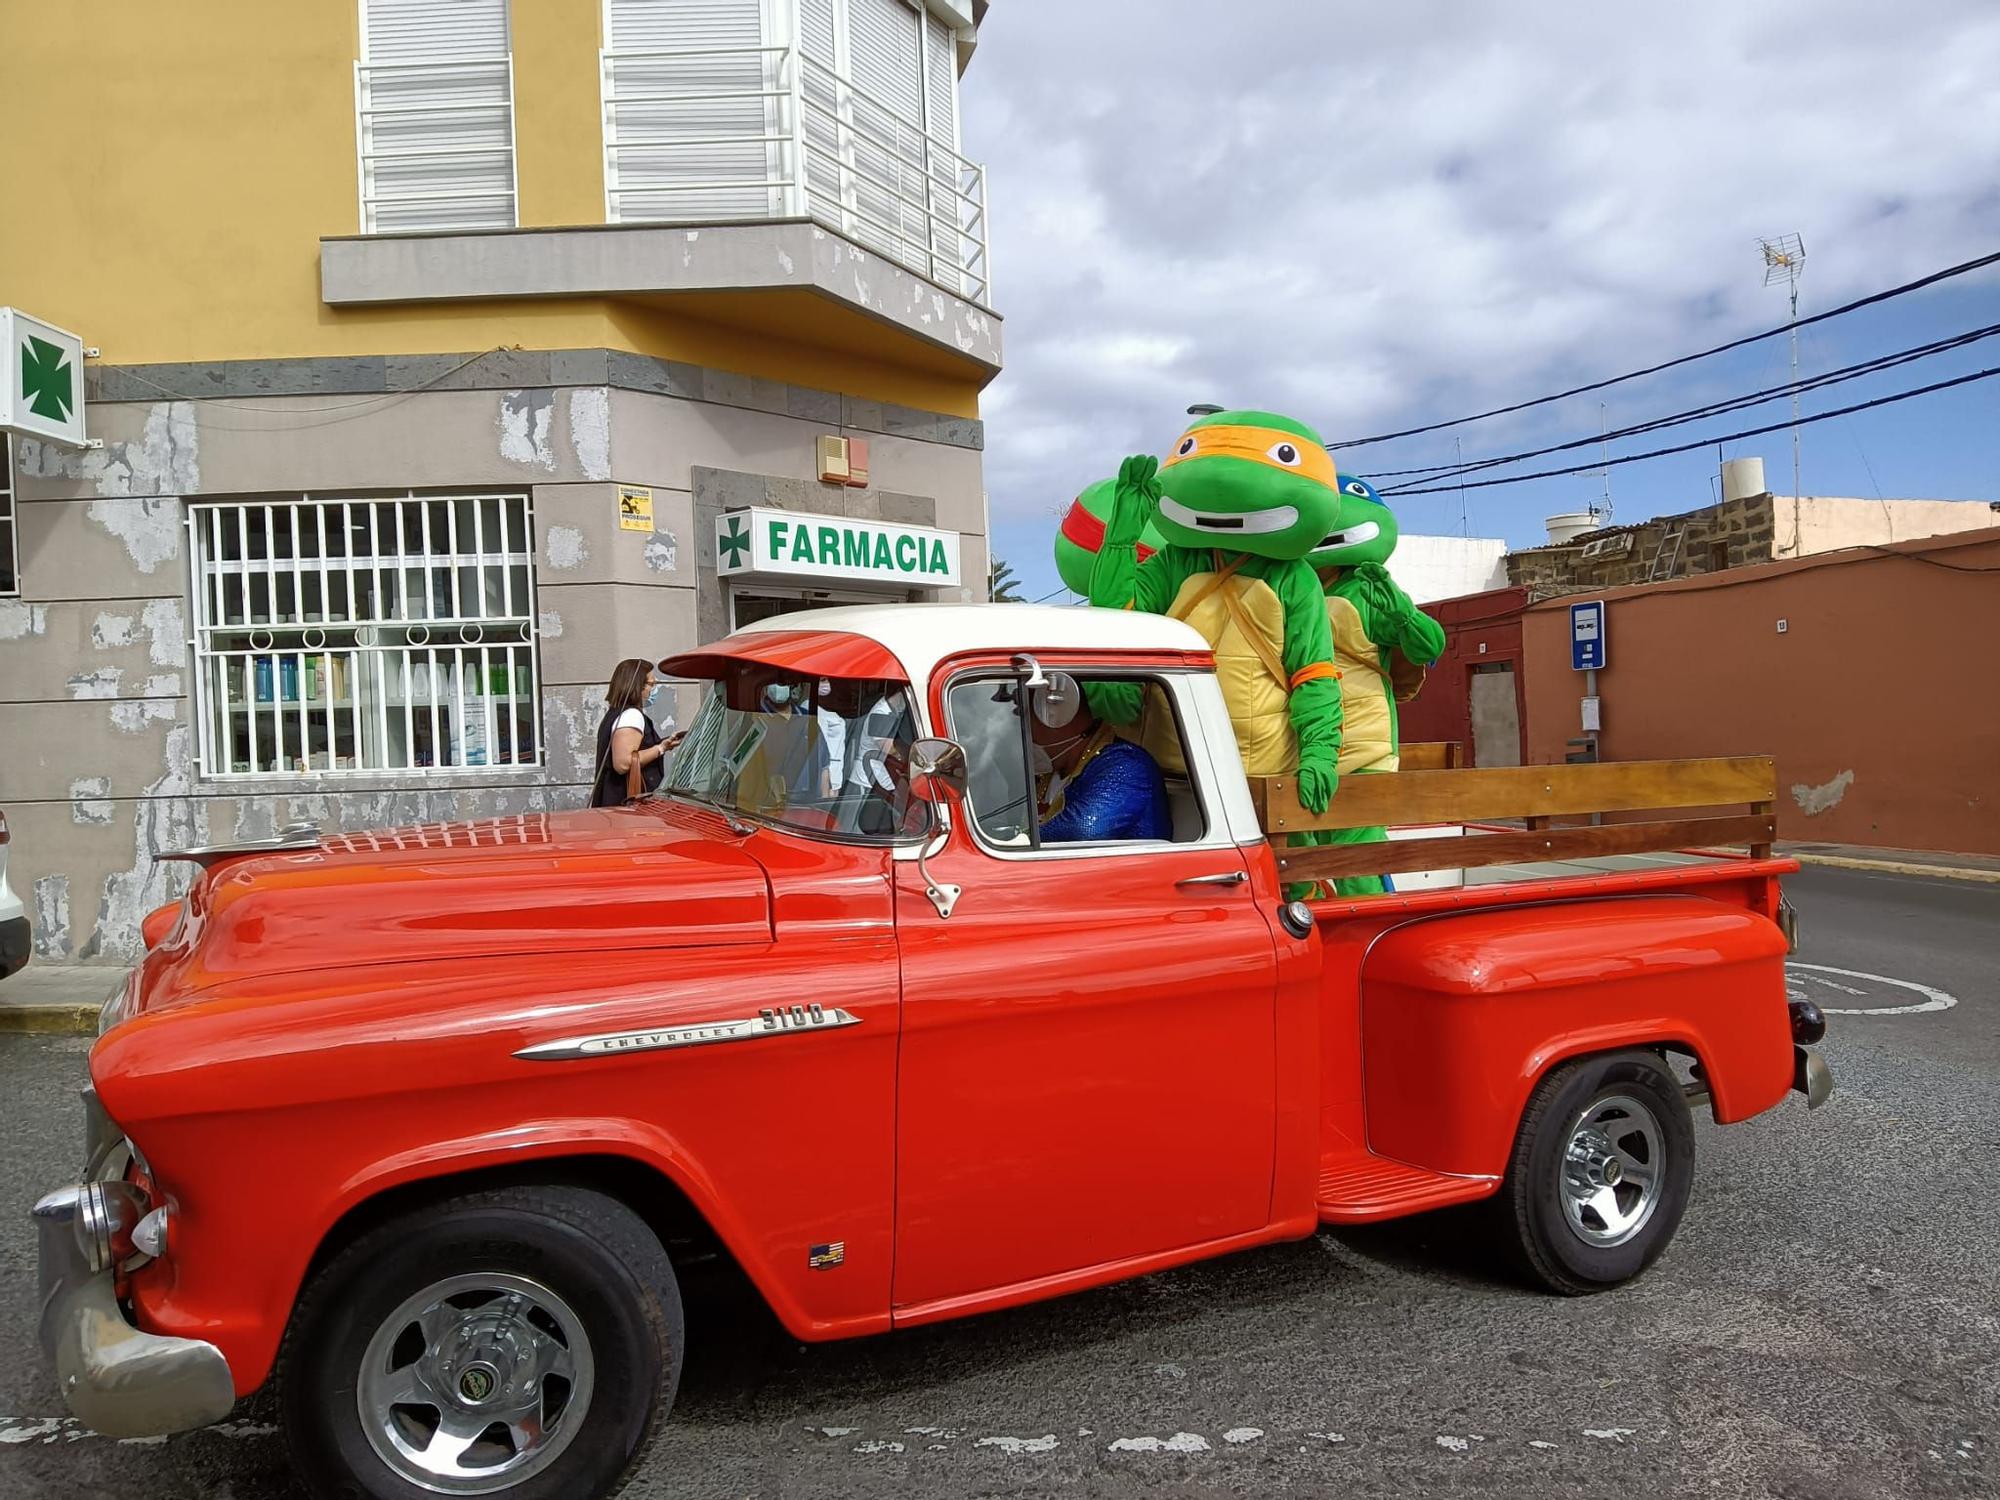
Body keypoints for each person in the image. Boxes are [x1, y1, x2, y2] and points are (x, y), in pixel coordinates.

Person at [1032, 687, 1171, 843]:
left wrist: (1022, 839)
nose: (1023, 732)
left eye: (1025, 717)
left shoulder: (1128, 764)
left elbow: (1084, 829)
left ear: (1058, 715)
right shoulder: (1050, 769)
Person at [591, 658, 673, 808]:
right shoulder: (632, 716)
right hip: (627, 806)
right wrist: (660, 749)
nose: (653, 689)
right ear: (637, 686)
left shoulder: (614, 714)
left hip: (612, 803)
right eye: (651, 684)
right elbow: (623, 763)